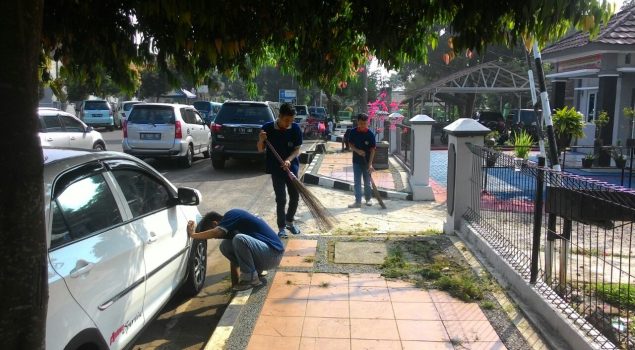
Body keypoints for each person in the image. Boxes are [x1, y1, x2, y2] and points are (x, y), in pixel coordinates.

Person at [187, 209, 285, 291]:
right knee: (225, 246)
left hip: (274, 253)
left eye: (210, 231)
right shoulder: (232, 229)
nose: (213, 238)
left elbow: (216, 232)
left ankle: (251, 279)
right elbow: (235, 258)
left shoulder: (232, 214)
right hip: (266, 256)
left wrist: (193, 235)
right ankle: (254, 272)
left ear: (215, 223)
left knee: (239, 239)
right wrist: (234, 285)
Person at [257, 103, 302, 238]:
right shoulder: (267, 128)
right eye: (287, 120)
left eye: (292, 120)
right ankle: (281, 227)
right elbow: (260, 149)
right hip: (276, 169)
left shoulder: (295, 129)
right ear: (280, 116)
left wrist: (288, 160)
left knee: (295, 196)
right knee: (281, 199)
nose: (289, 123)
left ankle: (289, 221)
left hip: (291, 168)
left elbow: (297, 150)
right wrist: (261, 139)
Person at [347, 113, 376, 208]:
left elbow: (372, 150)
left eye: (364, 123)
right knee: (357, 182)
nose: (363, 125)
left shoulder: (370, 134)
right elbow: (350, 144)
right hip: (356, 161)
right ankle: (358, 201)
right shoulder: (353, 132)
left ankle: (368, 199)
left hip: (367, 162)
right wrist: (358, 151)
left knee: (367, 182)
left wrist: (370, 164)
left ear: (367, 123)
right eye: (361, 123)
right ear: (357, 122)